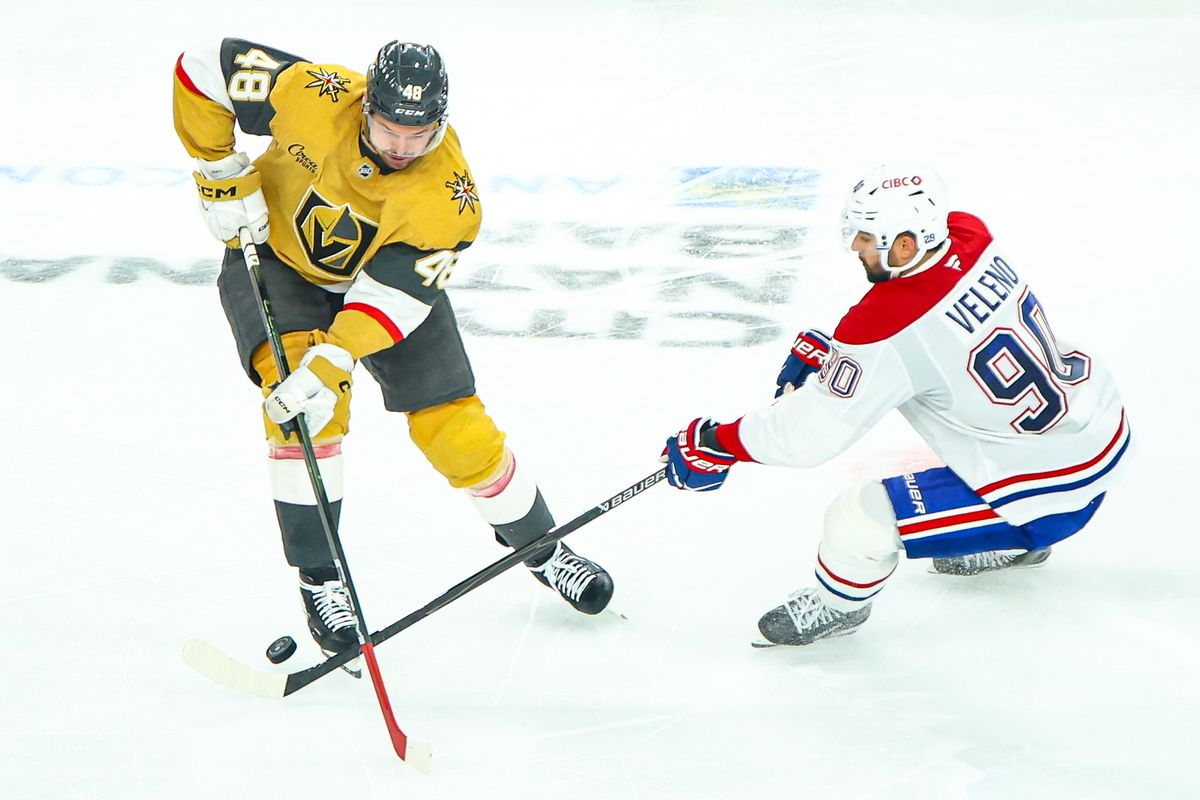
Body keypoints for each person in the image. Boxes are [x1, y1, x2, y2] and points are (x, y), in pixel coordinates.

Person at [172, 38, 614, 667]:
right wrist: (217, 169)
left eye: (420, 131)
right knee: (304, 416)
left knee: (456, 431)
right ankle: (322, 580)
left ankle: (542, 548)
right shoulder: (312, 93)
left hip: (374, 291)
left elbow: (395, 297)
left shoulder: (450, 199)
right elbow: (200, 69)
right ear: (366, 108)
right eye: (389, 127)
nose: (403, 145)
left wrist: (336, 356)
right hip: (276, 263)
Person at [662, 163, 1130, 646]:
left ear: (906, 245)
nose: (855, 247)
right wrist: (840, 353)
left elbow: (807, 436)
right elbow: (935, 334)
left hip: (1052, 486)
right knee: (966, 432)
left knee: (857, 518)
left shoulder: (885, 328)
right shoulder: (968, 234)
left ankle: (840, 606)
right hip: (1094, 425)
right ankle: (1018, 536)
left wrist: (716, 442)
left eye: (867, 237)